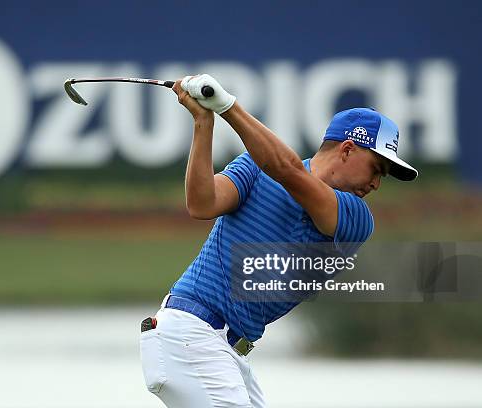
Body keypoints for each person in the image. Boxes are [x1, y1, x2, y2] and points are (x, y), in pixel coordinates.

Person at [139, 74, 417, 408]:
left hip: (226, 352)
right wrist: (204, 122)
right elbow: (202, 204)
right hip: (191, 332)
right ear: (346, 149)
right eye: (376, 168)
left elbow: (290, 174)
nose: (376, 184)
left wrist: (229, 107)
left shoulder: (357, 218)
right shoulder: (255, 169)